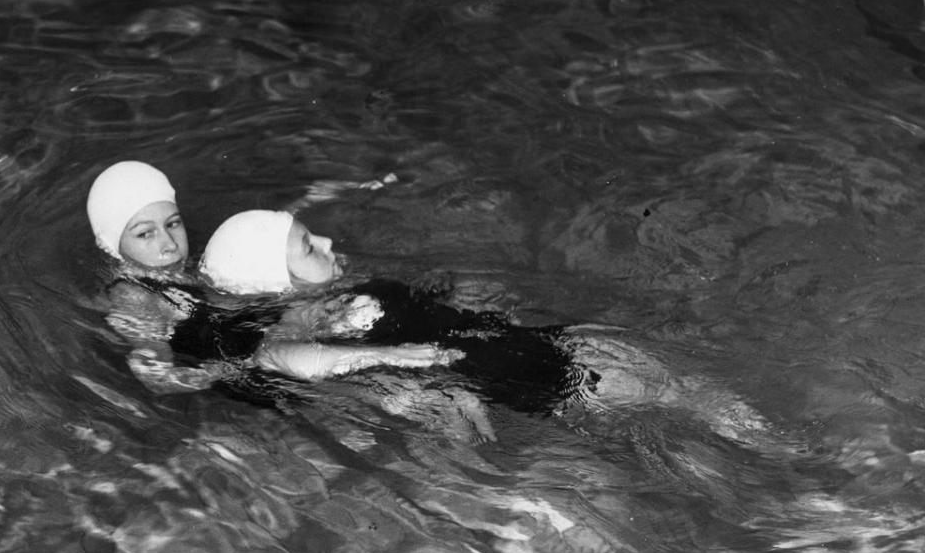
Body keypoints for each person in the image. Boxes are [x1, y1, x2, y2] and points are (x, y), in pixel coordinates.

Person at [199, 209, 775, 445]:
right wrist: (390, 360)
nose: (325, 241)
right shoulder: (304, 317)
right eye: (306, 245)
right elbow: (276, 359)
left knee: (666, 409)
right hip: (516, 367)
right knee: (671, 392)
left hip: (512, 353)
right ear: (276, 278)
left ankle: (794, 472)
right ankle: (804, 469)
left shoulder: (333, 299)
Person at [87, 161, 453, 395]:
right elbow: (155, 375)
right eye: (144, 234)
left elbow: (277, 230)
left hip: (262, 333)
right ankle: (392, 356)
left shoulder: (186, 265)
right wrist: (219, 372)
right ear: (110, 241)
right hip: (250, 365)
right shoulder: (129, 294)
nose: (168, 245)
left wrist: (350, 191)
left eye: (173, 224)